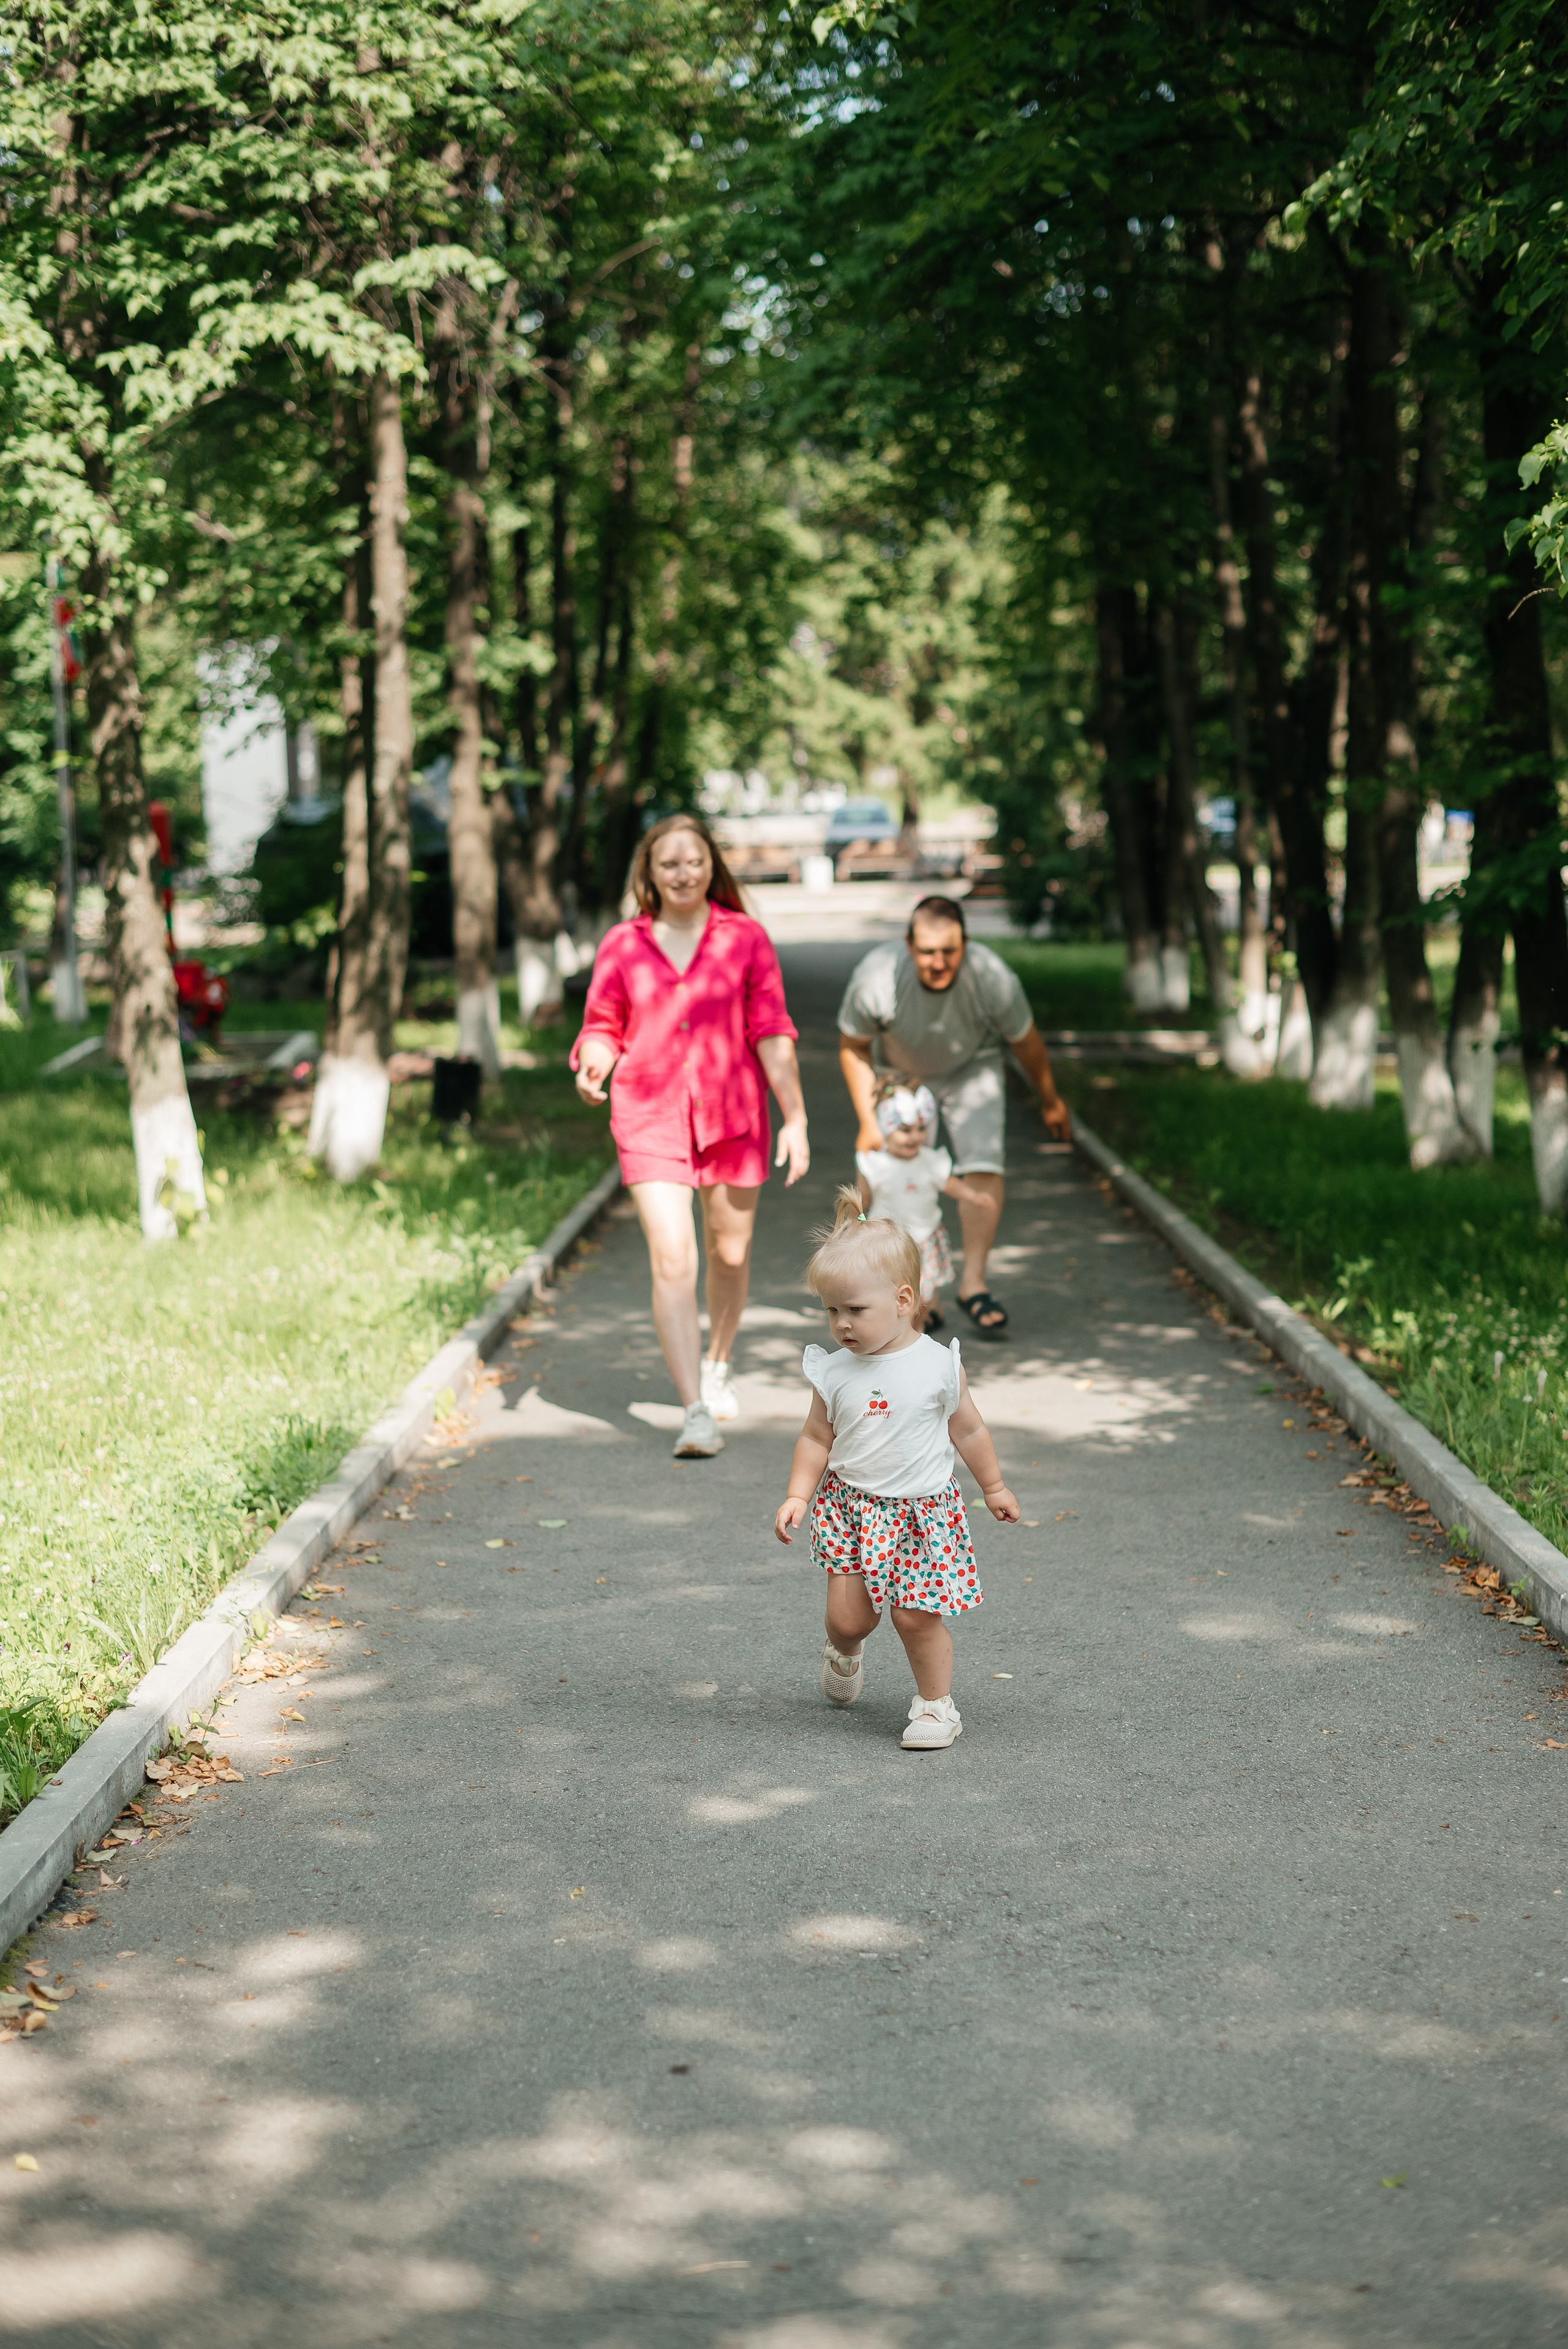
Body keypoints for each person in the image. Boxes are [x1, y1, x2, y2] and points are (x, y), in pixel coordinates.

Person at [572, 814, 809, 1458]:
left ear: (712, 867)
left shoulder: (745, 939)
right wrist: (595, 1056)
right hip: (648, 1113)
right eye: (669, 862)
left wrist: (795, 1115)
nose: (683, 873)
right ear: (648, 871)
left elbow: (771, 1029)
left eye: (694, 860)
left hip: (734, 1114)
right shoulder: (623, 944)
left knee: (729, 1253)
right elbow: (602, 1022)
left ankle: (719, 1362)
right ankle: (693, 1409)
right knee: (673, 1255)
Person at [773, 1190, 1019, 1751]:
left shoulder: (937, 1365)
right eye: (832, 1310)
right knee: (850, 1617)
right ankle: (844, 1649)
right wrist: (797, 1494)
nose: (841, 1324)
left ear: (904, 1299)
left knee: (915, 1617)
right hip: (853, 1509)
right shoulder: (834, 1372)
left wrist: (995, 1485)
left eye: (855, 1309)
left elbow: (970, 1430)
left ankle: (936, 1707)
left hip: (923, 1514)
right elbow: (816, 1436)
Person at [837, 894, 1071, 1340]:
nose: (938, 961)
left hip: (971, 1067)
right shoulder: (876, 977)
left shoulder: (992, 977)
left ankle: (973, 1284)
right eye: (927, 951)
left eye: (949, 950)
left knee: (983, 1162)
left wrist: (1050, 1099)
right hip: (900, 1073)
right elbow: (853, 1046)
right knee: (895, 1170)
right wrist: (869, 1120)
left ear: (966, 944)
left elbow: (1026, 1041)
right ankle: (916, 1293)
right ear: (909, 945)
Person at [854, 1080, 993, 1335]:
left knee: (922, 1295)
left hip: (925, 1238)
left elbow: (949, 1184)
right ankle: (893, 1334)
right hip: (890, 1242)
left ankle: (915, 1335)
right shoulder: (876, 1164)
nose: (915, 1136)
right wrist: (854, 1226)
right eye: (905, 1130)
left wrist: (973, 1196)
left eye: (921, 1129)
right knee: (890, 1292)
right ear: (886, 1128)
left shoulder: (930, 1161)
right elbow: (861, 1200)